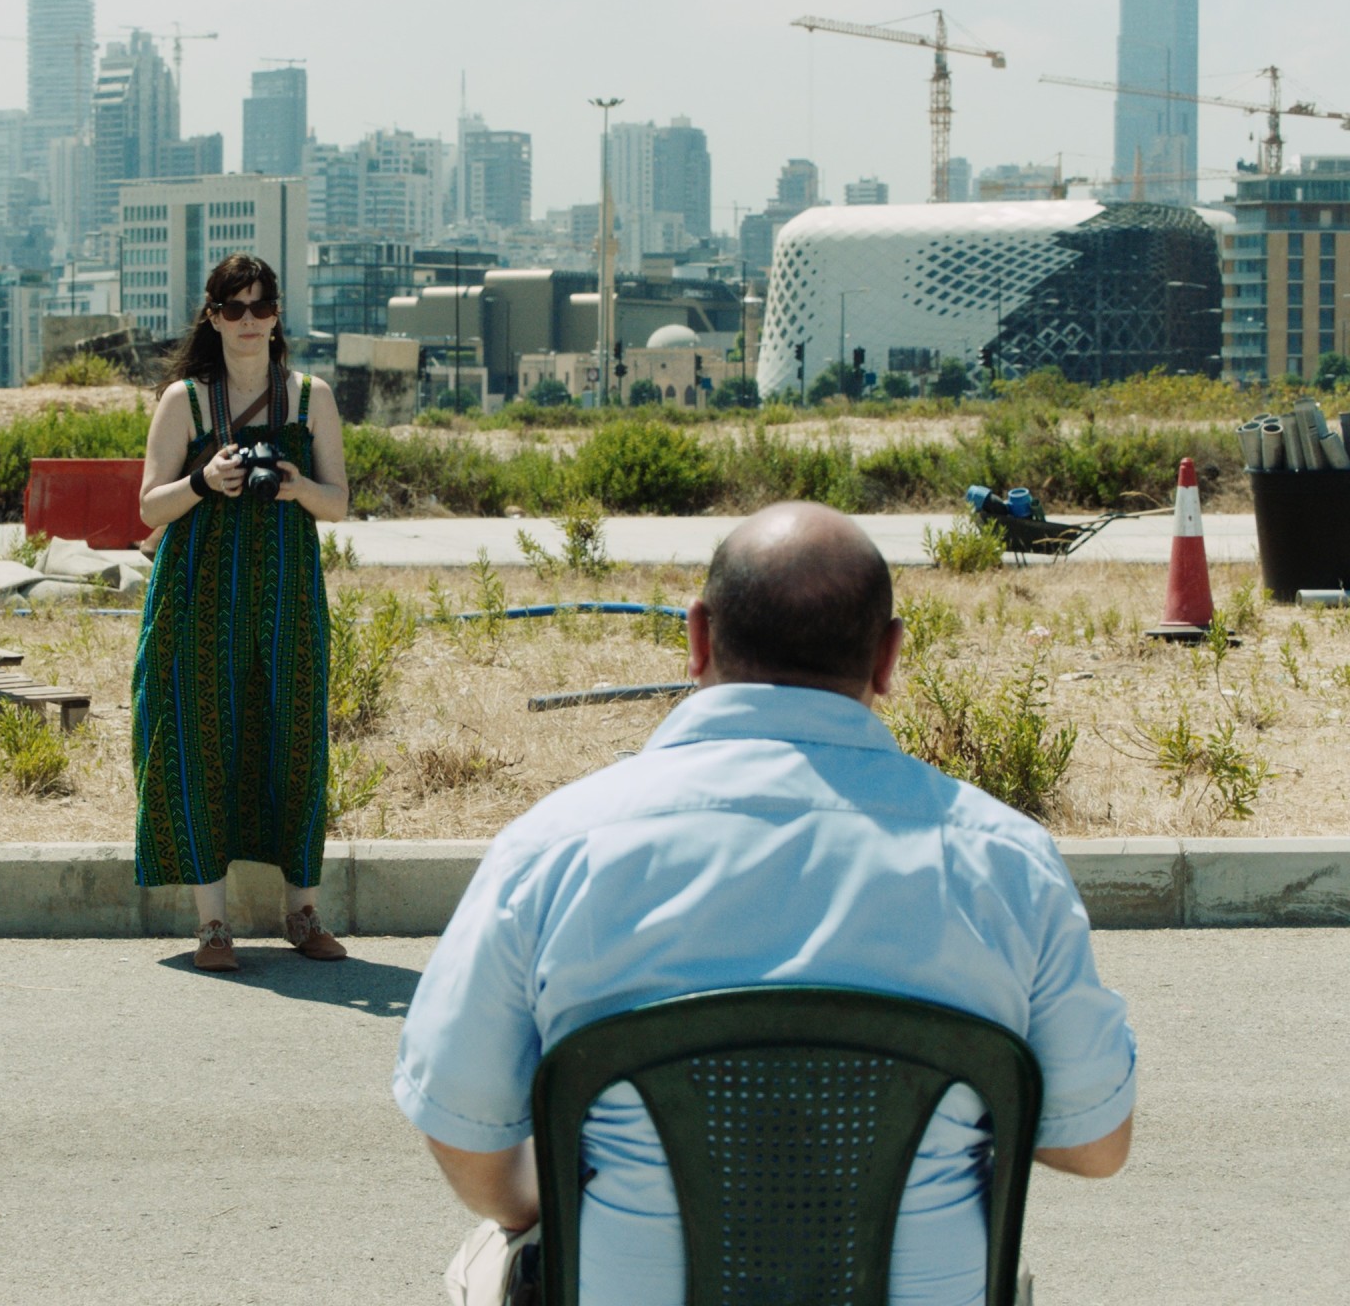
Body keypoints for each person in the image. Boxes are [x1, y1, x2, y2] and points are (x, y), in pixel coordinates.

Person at [393, 502, 1136, 1306]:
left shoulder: (554, 848)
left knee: (484, 1258)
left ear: (698, 638)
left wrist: (532, 1213)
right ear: (888, 656)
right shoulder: (1008, 861)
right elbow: (1094, 1145)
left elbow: (461, 1122)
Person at [133, 254, 351, 972]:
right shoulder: (185, 401)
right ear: (214, 317)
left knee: (296, 739)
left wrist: (294, 485)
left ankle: (302, 912)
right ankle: (213, 925)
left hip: (288, 592)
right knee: (200, 740)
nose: (249, 321)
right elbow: (149, 506)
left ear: (278, 314)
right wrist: (204, 479)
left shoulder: (311, 397)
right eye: (234, 308)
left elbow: (338, 503)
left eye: (261, 307)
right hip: (197, 592)